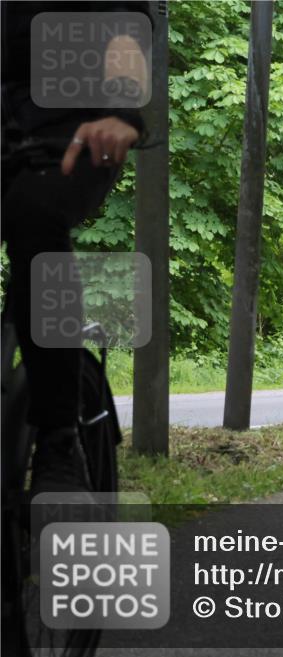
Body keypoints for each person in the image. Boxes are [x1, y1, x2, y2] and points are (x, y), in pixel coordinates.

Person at [2, 1, 150, 494]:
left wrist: (122, 112)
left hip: (70, 135)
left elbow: (125, 36)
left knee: (34, 213)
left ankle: (59, 439)